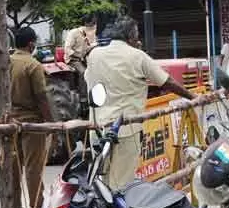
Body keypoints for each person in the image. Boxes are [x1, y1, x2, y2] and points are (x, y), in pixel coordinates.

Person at [84, 17, 197, 189]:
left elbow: (88, 80)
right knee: (121, 186)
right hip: (126, 131)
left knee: (100, 184)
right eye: (137, 35)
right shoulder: (138, 56)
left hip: (97, 129)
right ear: (130, 36)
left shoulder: (94, 54)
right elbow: (167, 82)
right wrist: (194, 97)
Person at [0, 27, 54, 208]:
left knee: (12, 165)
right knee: (32, 167)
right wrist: (50, 123)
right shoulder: (33, 65)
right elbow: (41, 97)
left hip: (9, 121)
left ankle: (14, 207)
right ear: (31, 44)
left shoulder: (6, 62)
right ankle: (37, 207)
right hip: (32, 123)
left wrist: (1, 94)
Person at [64, 14, 98, 92]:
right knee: (84, 73)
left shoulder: (92, 33)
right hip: (74, 60)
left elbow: (90, 46)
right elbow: (67, 49)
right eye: (93, 23)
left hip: (85, 58)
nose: (94, 25)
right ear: (86, 23)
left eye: (95, 23)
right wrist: (79, 56)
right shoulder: (73, 33)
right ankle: (83, 98)